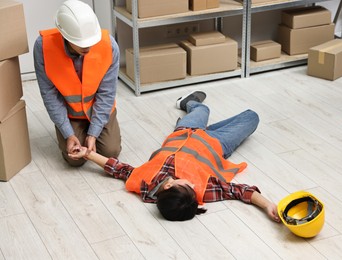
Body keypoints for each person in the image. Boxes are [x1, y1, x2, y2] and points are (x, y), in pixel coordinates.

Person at [69, 91, 281, 222]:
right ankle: (199, 111)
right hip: (216, 142)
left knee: (202, 109)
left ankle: (189, 103)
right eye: (191, 187)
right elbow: (240, 191)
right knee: (252, 117)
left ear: (168, 186)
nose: (191, 183)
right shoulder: (198, 192)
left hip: (186, 130)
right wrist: (268, 205)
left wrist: (88, 154)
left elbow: (117, 167)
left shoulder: (144, 182)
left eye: (185, 184)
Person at [33, 0, 121, 167]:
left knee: (111, 151)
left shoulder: (109, 46)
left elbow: (107, 94)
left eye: (90, 40)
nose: (87, 46)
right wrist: (68, 134)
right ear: (64, 35)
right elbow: (49, 95)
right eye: (80, 42)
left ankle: (97, 127)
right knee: (74, 159)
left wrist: (93, 133)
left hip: (99, 108)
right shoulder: (43, 47)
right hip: (70, 113)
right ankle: (76, 132)